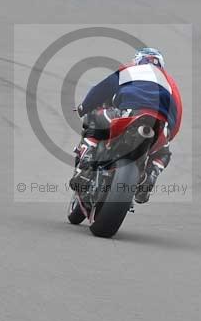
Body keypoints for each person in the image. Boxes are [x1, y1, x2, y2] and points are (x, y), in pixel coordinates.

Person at [70, 47, 183, 204]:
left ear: (138, 60)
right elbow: (178, 113)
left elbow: (102, 89)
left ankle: (86, 163)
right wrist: (169, 134)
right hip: (160, 124)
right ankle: (149, 177)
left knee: (95, 116)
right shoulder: (170, 82)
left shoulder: (132, 70)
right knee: (162, 153)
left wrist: (84, 107)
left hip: (130, 113)